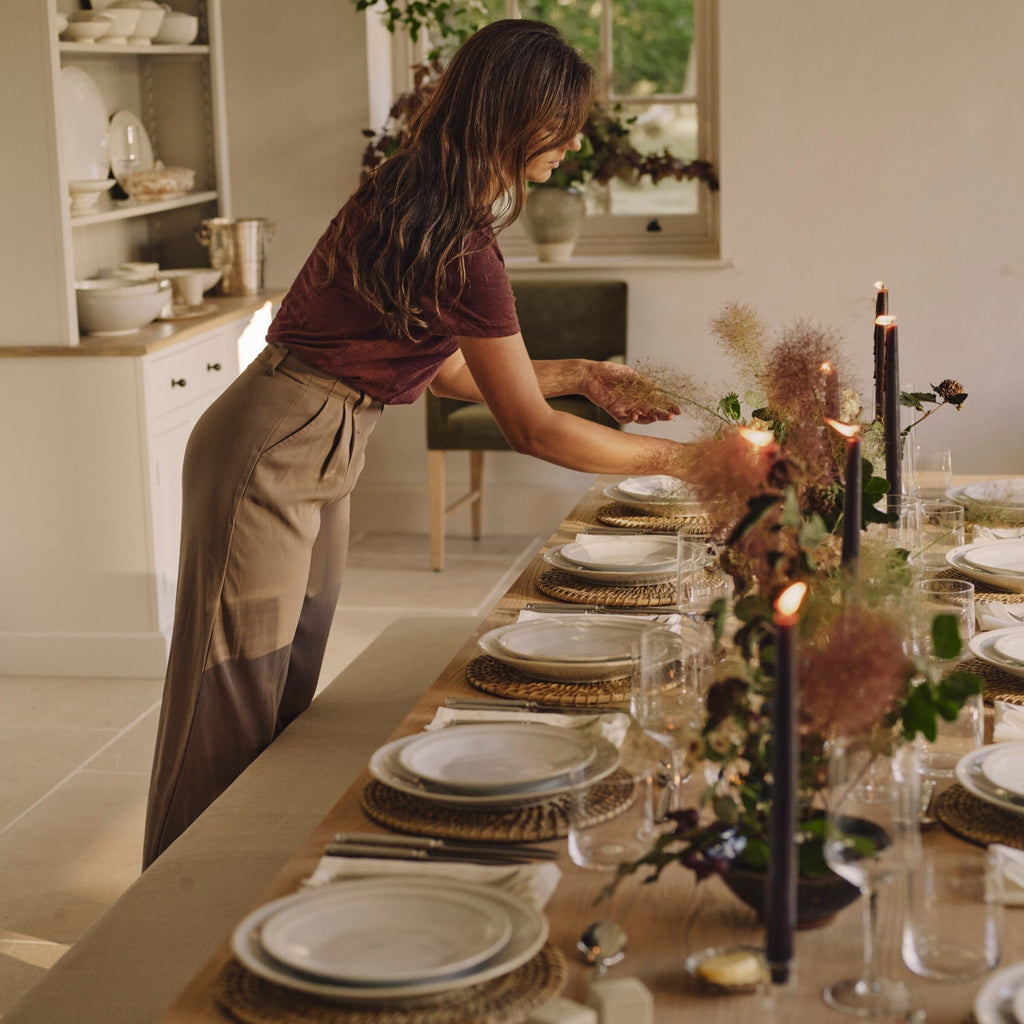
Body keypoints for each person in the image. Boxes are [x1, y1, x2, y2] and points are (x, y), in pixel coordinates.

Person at [142, 18, 691, 868]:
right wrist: (686, 464)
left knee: (283, 691)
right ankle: (167, 922)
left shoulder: (430, 200)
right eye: (562, 123)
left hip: (316, 439)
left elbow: (455, 378)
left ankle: (239, 886)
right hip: (277, 441)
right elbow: (530, 429)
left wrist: (584, 369)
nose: (575, 143)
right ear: (514, 115)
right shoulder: (458, 236)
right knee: (228, 702)